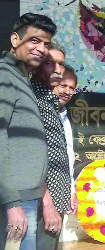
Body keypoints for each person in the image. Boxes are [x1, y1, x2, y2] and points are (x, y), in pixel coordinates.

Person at [0, 13, 56, 250]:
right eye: (34, 40)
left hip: (26, 197)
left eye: (46, 44)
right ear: (15, 40)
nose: (41, 48)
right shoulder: (5, 76)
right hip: (15, 200)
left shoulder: (22, 78)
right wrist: (12, 203)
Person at [31, 43, 71, 250]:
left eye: (61, 64)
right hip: (41, 203)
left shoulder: (49, 100)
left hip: (56, 200)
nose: (57, 69)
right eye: (50, 63)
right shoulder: (33, 100)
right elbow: (32, 158)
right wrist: (48, 204)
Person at [53, 65, 79, 216]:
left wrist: (71, 190)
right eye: (63, 85)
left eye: (71, 88)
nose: (67, 92)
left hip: (61, 194)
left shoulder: (64, 117)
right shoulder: (41, 114)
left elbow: (68, 159)